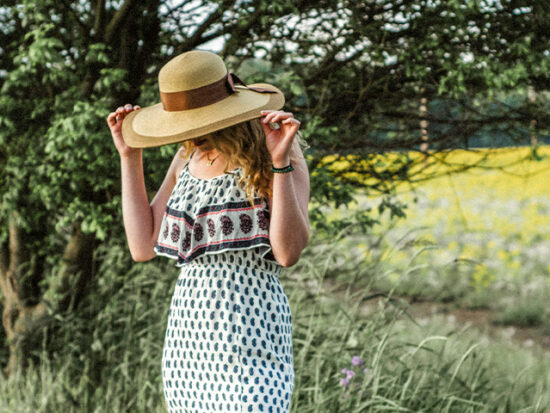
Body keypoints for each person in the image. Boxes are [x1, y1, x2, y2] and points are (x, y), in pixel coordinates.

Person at [106, 50, 310, 413]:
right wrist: (129, 157)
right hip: (190, 338)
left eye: (199, 122)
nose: (192, 134)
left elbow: (287, 252)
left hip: (253, 331)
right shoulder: (187, 157)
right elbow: (142, 246)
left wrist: (279, 164)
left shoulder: (279, 149)